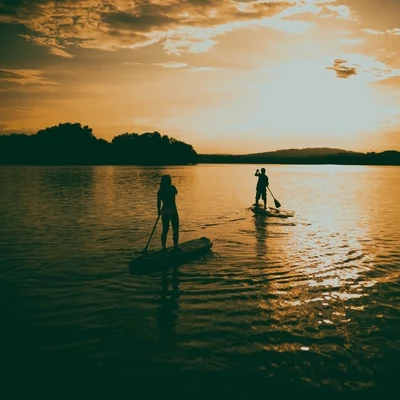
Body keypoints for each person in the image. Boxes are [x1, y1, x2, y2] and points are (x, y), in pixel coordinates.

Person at [157, 174, 180, 251]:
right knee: (175, 229)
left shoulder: (160, 191)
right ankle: (175, 247)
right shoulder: (172, 188)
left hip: (165, 211)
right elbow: (176, 192)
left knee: (165, 230)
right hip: (173, 210)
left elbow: (158, 203)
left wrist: (158, 211)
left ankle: (164, 247)